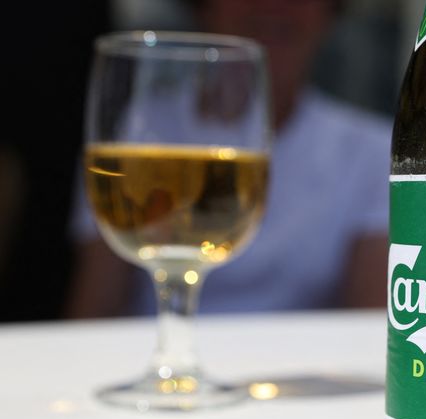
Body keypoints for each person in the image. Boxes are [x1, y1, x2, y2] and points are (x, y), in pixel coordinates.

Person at [67, 0, 391, 317]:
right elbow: (96, 306)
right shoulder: (139, 129)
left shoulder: (372, 150)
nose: (273, 6)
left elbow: (369, 324)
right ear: (203, 7)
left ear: (330, 13)